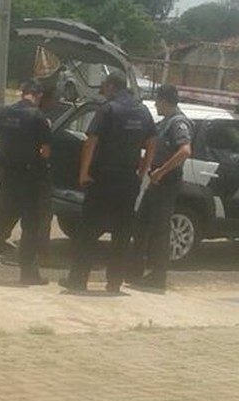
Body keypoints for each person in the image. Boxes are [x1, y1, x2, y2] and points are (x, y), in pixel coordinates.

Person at [60, 71, 156, 294]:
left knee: (88, 232)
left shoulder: (108, 109)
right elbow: (152, 144)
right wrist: (141, 173)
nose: (103, 89)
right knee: (122, 234)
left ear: (112, 87)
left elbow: (90, 143)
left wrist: (83, 173)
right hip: (128, 180)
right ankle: (114, 283)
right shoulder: (142, 111)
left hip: (103, 178)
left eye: (104, 86)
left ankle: (77, 281)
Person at [0, 79, 52, 285]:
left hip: (9, 177)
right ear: (39, 96)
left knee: (0, 223)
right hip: (31, 180)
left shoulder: (6, 113)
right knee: (30, 227)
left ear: (23, 93)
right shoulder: (38, 117)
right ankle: (28, 273)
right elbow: (45, 151)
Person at [130, 84, 193, 293]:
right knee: (140, 224)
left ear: (165, 100)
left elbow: (185, 151)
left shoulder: (178, 122)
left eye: (157, 100)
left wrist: (161, 172)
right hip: (156, 181)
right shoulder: (166, 122)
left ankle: (158, 277)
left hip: (166, 182)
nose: (155, 104)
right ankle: (136, 270)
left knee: (159, 230)